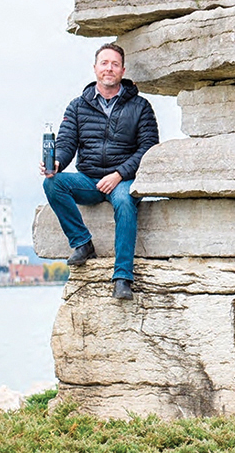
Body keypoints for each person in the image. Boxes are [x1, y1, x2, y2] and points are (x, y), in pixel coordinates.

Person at [41, 43, 159, 299]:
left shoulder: (141, 106)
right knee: (52, 184)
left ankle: (123, 277)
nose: (109, 68)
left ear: (123, 70)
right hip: (89, 179)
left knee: (126, 202)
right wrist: (57, 163)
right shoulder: (77, 106)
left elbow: (149, 149)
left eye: (115, 64)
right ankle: (82, 243)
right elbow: (66, 143)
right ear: (95, 68)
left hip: (123, 179)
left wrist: (119, 174)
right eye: (104, 63)